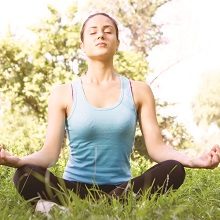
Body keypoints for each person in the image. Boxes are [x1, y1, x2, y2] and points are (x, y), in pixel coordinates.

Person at [0, 12, 220, 208]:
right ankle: (105, 208)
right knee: (25, 175)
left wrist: (193, 161)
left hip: (122, 189)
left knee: (174, 169)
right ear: (82, 45)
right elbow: (49, 154)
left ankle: (73, 210)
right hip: (72, 189)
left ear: (117, 43)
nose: (101, 35)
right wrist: (18, 161)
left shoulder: (139, 90)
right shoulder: (63, 93)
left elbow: (157, 149)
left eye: (108, 31)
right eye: (93, 32)